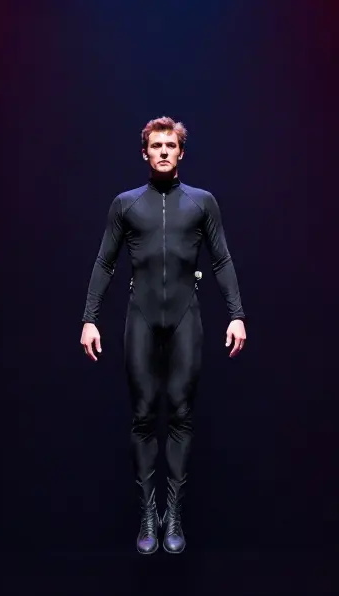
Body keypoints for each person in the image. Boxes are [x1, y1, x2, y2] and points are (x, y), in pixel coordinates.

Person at [80, 116, 248, 555]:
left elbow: (222, 261)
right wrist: (89, 318)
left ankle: (173, 514)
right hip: (140, 317)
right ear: (145, 153)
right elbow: (104, 263)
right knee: (141, 415)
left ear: (181, 152)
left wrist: (236, 314)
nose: (163, 152)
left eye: (170, 145)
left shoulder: (202, 202)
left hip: (185, 318)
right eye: (156, 146)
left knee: (179, 412)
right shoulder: (125, 204)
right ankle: (147, 514)